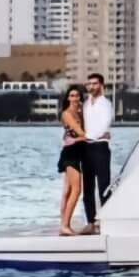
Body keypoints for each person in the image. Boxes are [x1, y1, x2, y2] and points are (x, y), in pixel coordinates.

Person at [79, 72, 114, 235]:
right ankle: (91, 222)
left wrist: (89, 136)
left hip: (100, 147)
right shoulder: (86, 104)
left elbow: (104, 126)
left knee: (103, 186)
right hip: (86, 148)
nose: (91, 86)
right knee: (87, 188)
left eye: (94, 83)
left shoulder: (105, 104)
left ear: (101, 85)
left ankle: (107, 221)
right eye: (89, 84)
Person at [55, 85, 86, 236]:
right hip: (70, 153)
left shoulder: (80, 113)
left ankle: (63, 225)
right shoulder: (66, 114)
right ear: (68, 98)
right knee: (76, 189)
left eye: (77, 96)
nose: (75, 98)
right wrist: (94, 135)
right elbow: (80, 132)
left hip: (78, 152)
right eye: (72, 95)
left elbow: (80, 135)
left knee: (67, 191)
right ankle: (65, 225)